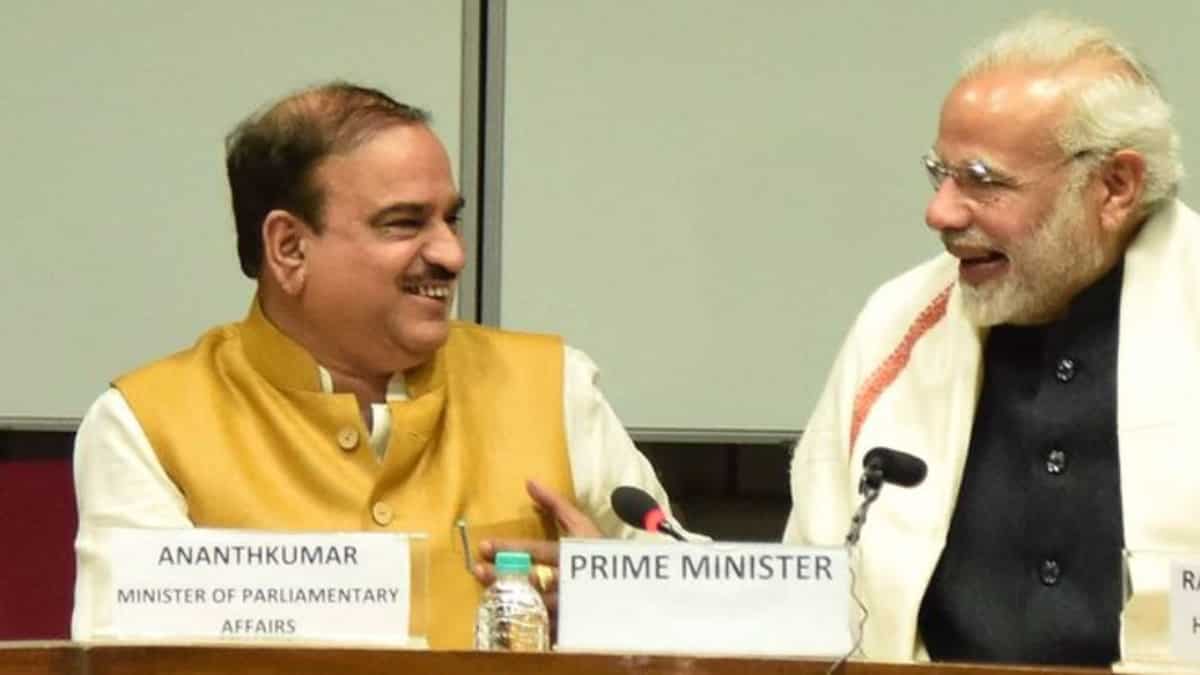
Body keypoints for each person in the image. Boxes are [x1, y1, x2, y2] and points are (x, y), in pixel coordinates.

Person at [71, 82, 681, 649]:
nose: (451, 253)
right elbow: (126, 660)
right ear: (289, 247)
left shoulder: (555, 387)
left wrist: (614, 603)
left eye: (451, 218)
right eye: (405, 224)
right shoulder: (146, 425)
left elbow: (707, 618)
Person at [784, 14, 1197, 667]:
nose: (940, 212)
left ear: (1115, 186)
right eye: (939, 173)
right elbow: (807, 593)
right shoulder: (898, 323)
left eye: (983, 179)